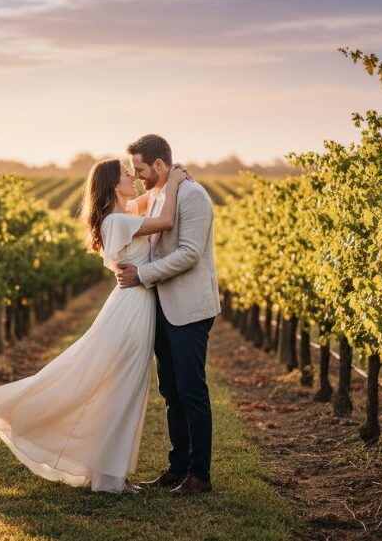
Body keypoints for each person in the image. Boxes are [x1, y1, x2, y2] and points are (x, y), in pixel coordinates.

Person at [0, 156, 188, 493]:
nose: (132, 176)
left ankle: (109, 475)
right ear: (112, 184)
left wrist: (162, 179)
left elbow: (147, 202)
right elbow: (165, 220)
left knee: (123, 391)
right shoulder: (117, 221)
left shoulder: (121, 214)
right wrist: (174, 183)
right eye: (125, 173)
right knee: (121, 391)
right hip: (132, 309)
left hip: (135, 305)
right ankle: (108, 478)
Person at [116, 133, 220, 494]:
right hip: (163, 306)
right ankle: (178, 467)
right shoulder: (163, 192)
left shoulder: (192, 195)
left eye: (141, 168)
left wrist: (141, 275)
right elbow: (122, 210)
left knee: (191, 391)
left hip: (189, 308)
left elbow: (190, 252)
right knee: (172, 391)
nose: (138, 175)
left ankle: (200, 475)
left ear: (159, 164)